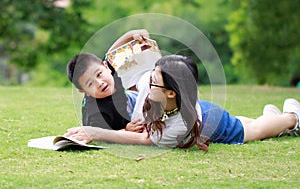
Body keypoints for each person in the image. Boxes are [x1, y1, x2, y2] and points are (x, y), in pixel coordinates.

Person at [64, 55, 300, 151]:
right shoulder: (154, 86)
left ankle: (291, 118)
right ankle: (274, 119)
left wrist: (96, 133)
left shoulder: (178, 127)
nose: (147, 84)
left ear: (169, 93)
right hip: (200, 109)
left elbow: (144, 139)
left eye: (153, 82)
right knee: (245, 121)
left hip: (211, 121)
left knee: (252, 131)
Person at [66, 29, 160, 132]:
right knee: (147, 124)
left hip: (130, 100)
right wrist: (125, 129)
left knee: (152, 85)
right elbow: (100, 135)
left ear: (105, 66)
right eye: (90, 84)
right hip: (121, 121)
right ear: (83, 91)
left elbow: (114, 50)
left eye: (99, 74)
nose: (99, 83)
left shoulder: (108, 68)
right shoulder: (97, 114)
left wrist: (136, 34)